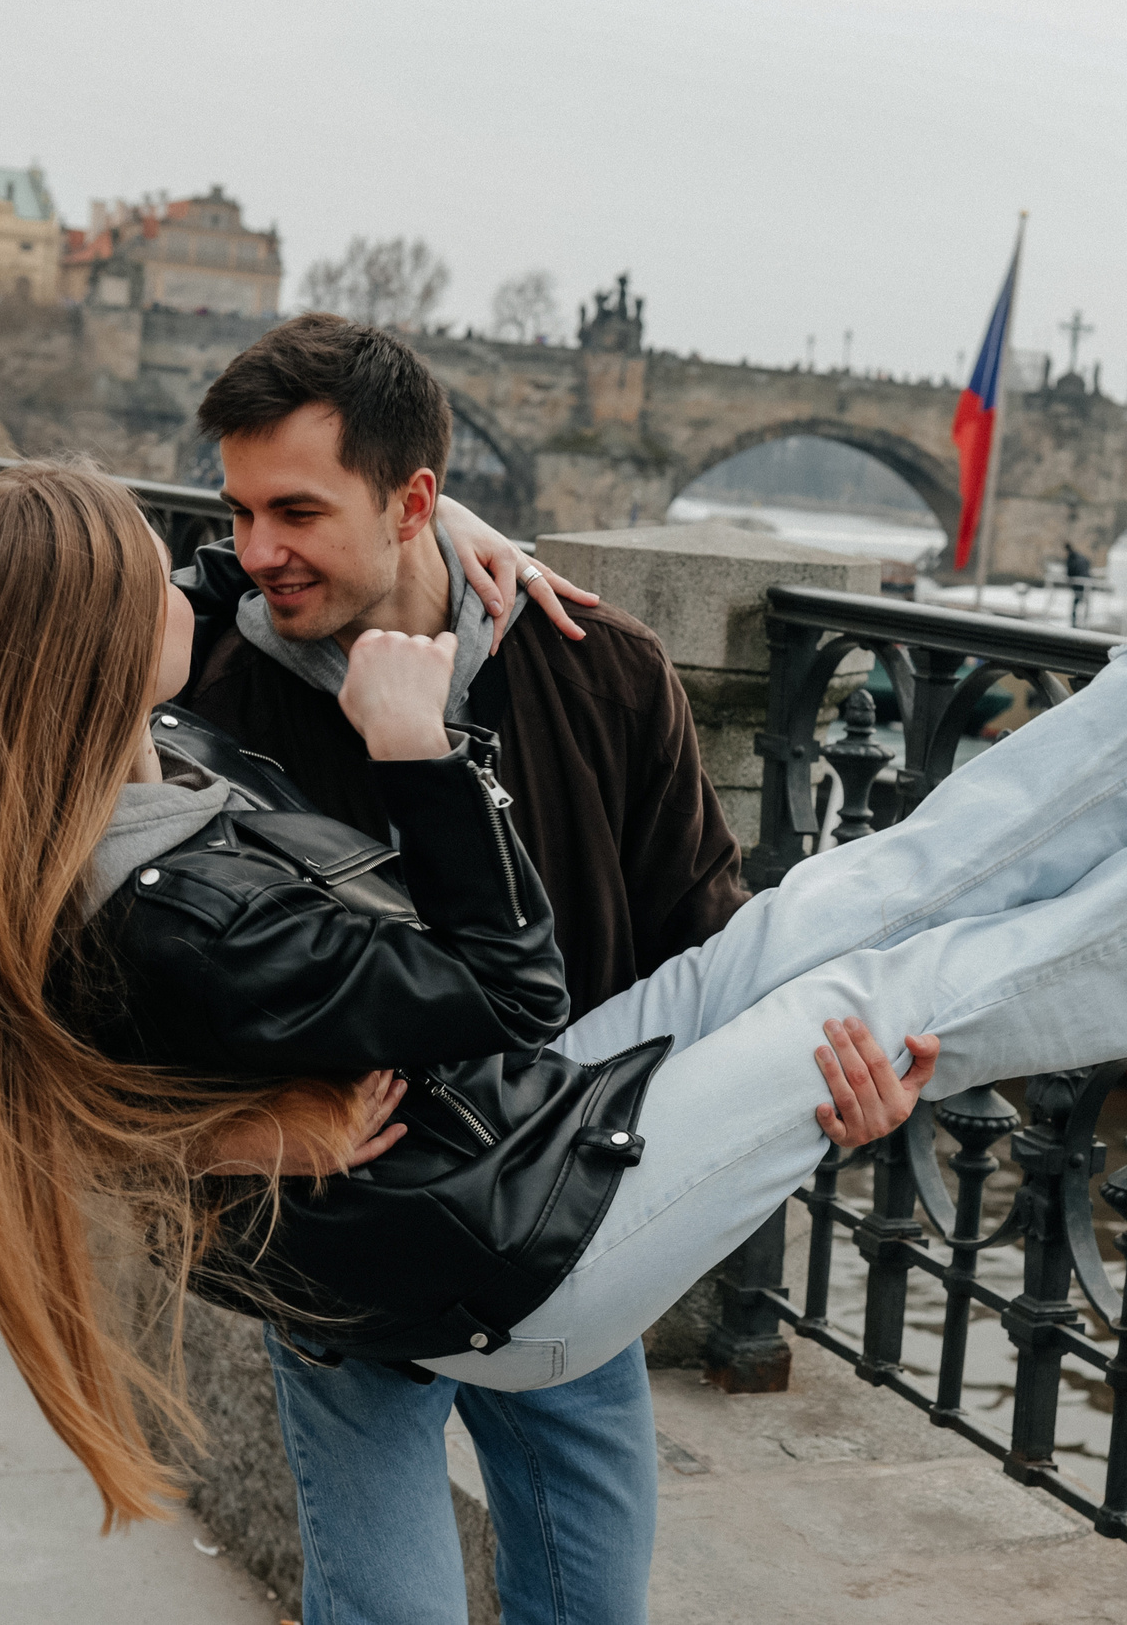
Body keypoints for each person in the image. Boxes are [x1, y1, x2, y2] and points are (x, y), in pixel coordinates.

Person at [0, 473, 1127, 1624]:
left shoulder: (109, 774)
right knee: (853, 1008)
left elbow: (37, 1062)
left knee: (807, 922)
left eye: (261, 527)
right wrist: (420, 755)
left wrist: (451, 543)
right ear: (91, 649)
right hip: (500, 1238)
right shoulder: (178, 901)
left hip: (477, 1145)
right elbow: (508, 989)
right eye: (161, 568)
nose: (213, 566)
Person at [164, 315, 746, 1623]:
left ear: (414, 500)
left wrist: (824, 1088)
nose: (257, 551)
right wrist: (232, 1135)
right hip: (340, 1244)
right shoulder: (206, 699)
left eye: (296, 513)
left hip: (559, 1223)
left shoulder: (602, 672)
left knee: (591, 1609)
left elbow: (705, 947)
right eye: (239, 511)